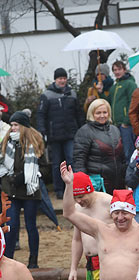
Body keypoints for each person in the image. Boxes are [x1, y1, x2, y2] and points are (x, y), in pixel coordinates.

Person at [0, 111, 46, 268]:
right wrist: (9, 178)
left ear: (24, 126)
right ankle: (8, 260)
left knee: (31, 225)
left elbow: (45, 166)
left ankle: (33, 260)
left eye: (16, 125)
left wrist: (31, 175)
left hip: (30, 190)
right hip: (11, 189)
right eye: (12, 125)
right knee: (11, 226)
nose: (13, 128)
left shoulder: (35, 141)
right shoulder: (6, 142)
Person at [36, 67, 84, 199]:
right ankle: (58, 190)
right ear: (55, 79)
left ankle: (74, 188)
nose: (62, 81)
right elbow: (41, 115)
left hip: (70, 134)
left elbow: (79, 113)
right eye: (59, 78)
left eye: (64, 78)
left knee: (71, 160)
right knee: (57, 163)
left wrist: (81, 129)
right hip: (54, 136)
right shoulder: (47, 95)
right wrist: (42, 132)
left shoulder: (72, 93)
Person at [67, 172, 113, 280]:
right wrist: (73, 268)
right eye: (75, 198)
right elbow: (77, 239)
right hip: (90, 263)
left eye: (81, 196)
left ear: (90, 190)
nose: (79, 201)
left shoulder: (108, 202)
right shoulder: (77, 208)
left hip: (107, 261)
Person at [73, 99, 125, 194]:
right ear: (92, 114)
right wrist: (83, 185)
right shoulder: (84, 131)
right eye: (98, 113)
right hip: (97, 186)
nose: (102, 116)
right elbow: (79, 160)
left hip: (118, 184)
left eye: (105, 112)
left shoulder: (115, 130)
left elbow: (122, 157)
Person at [110, 60, 137, 160]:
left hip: (126, 125)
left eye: (119, 69)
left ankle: (132, 174)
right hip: (115, 125)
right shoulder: (114, 87)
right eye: (114, 70)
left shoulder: (130, 84)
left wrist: (126, 121)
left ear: (124, 70)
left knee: (128, 152)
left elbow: (133, 103)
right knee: (118, 152)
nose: (117, 72)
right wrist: (100, 92)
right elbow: (109, 102)